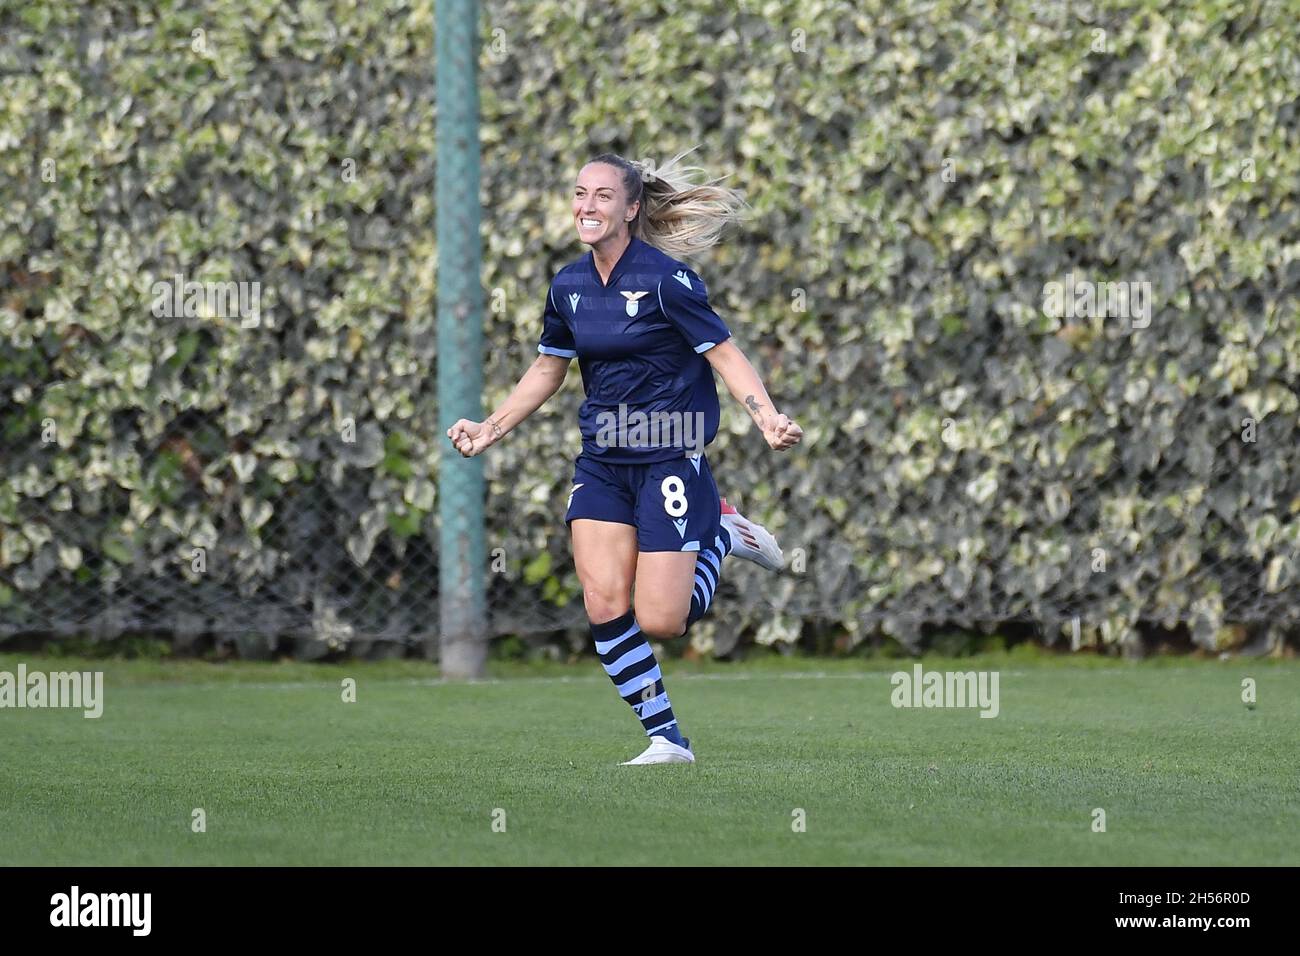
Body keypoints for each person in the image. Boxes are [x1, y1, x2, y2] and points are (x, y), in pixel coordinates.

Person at [446, 149, 803, 764]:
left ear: (632, 209)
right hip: (603, 463)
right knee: (603, 601)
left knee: (663, 620)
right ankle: (667, 739)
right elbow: (549, 367)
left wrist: (765, 414)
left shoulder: (669, 280)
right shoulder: (569, 285)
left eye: (603, 196)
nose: (588, 205)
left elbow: (724, 353)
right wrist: (491, 427)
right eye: (581, 194)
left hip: (670, 459)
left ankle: (720, 533)